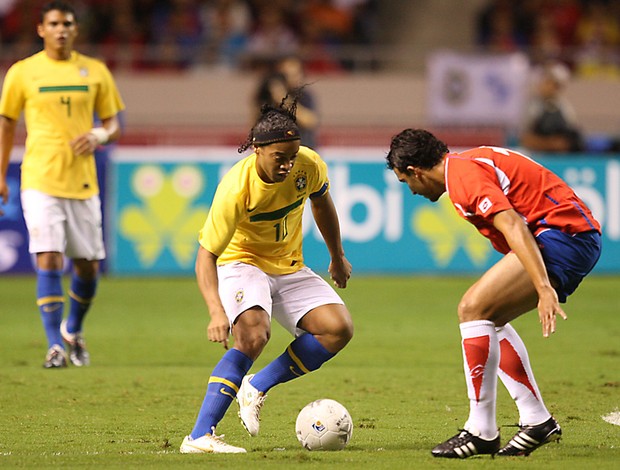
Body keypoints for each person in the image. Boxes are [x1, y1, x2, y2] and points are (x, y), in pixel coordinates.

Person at [386, 129, 601, 459]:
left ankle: (481, 431)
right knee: (488, 320)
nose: (412, 191)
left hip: (563, 235)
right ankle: (536, 420)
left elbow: (513, 224)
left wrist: (544, 287)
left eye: (406, 182)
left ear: (415, 171)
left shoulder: (463, 176)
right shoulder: (465, 165)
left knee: (472, 308)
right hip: (571, 235)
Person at [179, 90, 354, 454]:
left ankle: (257, 385)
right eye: (280, 157)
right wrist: (215, 310)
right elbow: (205, 255)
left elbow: (323, 205)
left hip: (288, 265)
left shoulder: (308, 164)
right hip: (241, 262)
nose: (289, 164)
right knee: (254, 336)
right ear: (256, 149)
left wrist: (337, 256)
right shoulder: (235, 188)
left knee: (338, 329)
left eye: (292, 156)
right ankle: (199, 436)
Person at [0, 1, 125, 368]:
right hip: (40, 178)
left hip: (83, 183)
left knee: (87, 266)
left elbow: (114, 122)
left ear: (75, 29)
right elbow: (7, 122)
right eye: (53, 23)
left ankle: (73, 328)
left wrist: (100, 134)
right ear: (41, 29)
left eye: (67, 23)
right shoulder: (23, 73)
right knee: (49, 258)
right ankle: (54, 345)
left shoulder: (95, 71)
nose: (61, 29)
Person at [519, 62, 584, 153]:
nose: (550, 87)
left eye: (555, 84)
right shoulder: (532, 106)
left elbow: (571, 137)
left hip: (560, 158)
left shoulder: (564, 107)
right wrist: (549, 144)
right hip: (535, 156)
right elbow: (525, 139)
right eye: (547, 82)